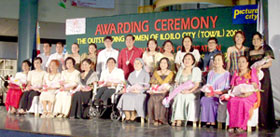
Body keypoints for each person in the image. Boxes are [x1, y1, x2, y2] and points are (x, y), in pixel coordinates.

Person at [248, 32, 277, 130]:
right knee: (254, 97)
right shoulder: (249, 51)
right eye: (253, 39)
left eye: (257, 39)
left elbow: (269, 63)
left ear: (261, 40)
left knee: (264, 97)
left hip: (264, 76)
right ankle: (254, 121)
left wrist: (261, 66)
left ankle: (264, 122)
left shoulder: (266, 49)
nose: (255, 41)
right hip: (253, 76)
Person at [227, 56, 260, 132]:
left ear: (247, 63)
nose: (241, 64)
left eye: (243, 62)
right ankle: (233, 125)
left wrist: (247, 93)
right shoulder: (236, 73)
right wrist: (237, 93)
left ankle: (241, 126)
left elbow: (255, 86)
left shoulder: (252, 72)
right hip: (238, 94)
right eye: (239, 62)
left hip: (250, 94)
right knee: (232, 101)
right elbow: (232, 87)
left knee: (243, 102)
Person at [171, 53, 202, 127]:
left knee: (183, 96)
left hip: (192, 92)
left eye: (189, 59)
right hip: (181, 91)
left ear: (193, 61)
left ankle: (179, 119)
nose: (187, 61)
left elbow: (197, 85)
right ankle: (178, 119)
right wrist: (180, 89)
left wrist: (189, 91)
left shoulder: (196, 70)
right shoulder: (181, 70)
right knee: (178, 96)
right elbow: (177, 82)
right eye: (185, 59)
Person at [200, 54, 230, 128]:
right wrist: (207, 92)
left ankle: (212, 121)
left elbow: (227, 88)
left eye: (219, 60)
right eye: (215, 60)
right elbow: (208, 85)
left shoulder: (226, 74)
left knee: (212, 100)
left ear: (223, 62)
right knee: (205, 99)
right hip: (211, 93)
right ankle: (208, 121)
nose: (217, 62)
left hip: (220, 94)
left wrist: (218, 93)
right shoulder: (210, 73)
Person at [117, 58, 150, 123]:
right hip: (131, 91)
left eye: (138, 63)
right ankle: (127, 115)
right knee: (125, 96)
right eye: (135, 63)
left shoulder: (146, 74)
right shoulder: (131, 74)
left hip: (140, 93)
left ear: (141, 65)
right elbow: (128, 85)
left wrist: (139, 91)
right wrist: (128, 89)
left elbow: (147, 86)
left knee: (135, 97)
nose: (136, 65)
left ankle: (133, 115)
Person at [147, 57, 175, 126]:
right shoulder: (156, 73)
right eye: (161, 62)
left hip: (166, 92)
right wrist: (154, 89)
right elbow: (153, 84)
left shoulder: (171, 73)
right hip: (157, 91)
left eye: (165, 63)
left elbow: (172, 84)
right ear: (159, 64)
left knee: (161, 98)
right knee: (152, 98)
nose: (163, 64)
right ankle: (154, 119)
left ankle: (162, 119)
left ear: (168, 64)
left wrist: (166, 89)